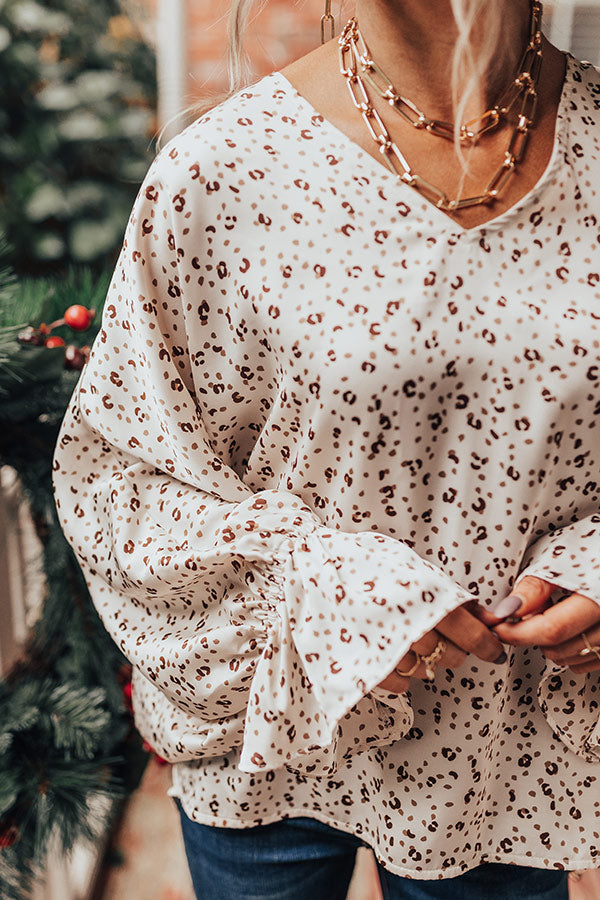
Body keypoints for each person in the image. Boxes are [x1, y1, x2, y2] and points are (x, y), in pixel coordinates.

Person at [52, 0, 600, 897]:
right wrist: (321, 589)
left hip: (507, 754)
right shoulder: (222, 174)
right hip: (271, 742)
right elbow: (119, 479)